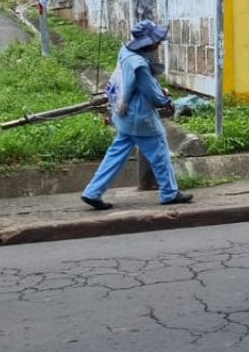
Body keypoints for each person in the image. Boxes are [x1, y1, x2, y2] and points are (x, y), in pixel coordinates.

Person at [80, 19, 194, 210]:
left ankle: (92, 192)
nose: (158, 43)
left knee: (115, 155)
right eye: (155, 40)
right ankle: (169, 192)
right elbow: (151, 91)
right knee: (159, 152)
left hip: (123, 114)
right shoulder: (139, 64)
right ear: (147, 42)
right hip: (139, 116)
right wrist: (166, 102)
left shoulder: (126, 52)